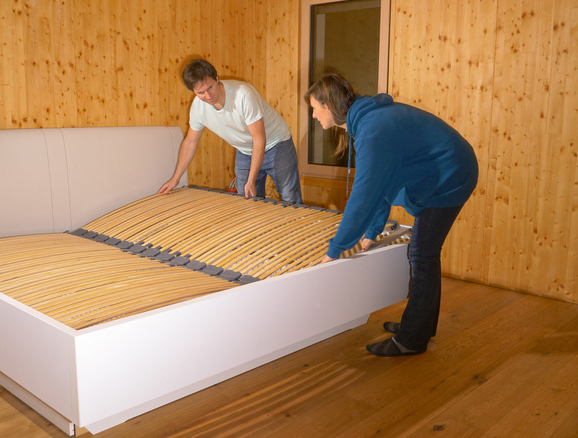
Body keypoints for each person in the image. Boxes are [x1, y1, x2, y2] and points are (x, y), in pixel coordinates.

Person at [305, 73, 478, 357]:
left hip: (451, 176)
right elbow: (382, 184)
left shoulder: (373, 130)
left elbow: (364, 195)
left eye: (314, 108)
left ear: (330, 105)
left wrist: (335, 250)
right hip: (447, 169)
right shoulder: (370, 123)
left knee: (422, 254)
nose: (313, 115)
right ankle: (420, 326)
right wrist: (372, 231)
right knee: (423, 254)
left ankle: (412, 339)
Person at [158, 59, 303, 204]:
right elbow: (190, 142)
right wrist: (175, 179)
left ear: (217, 79)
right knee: (247, 200)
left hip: (276, 143)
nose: (208, 96)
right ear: (194, 92)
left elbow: (259, 140)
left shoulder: (243, 95)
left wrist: (251, 179)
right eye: (200, 92)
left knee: (290, 198)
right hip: (245, 150)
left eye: (210, 88)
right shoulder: (198, 108)